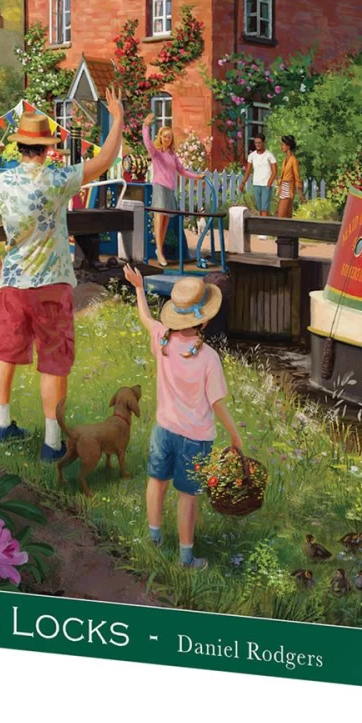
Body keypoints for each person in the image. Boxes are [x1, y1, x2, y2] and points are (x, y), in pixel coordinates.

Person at [0, 89, 125, 460]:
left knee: (5, 353)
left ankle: (1, 425)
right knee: (54, 361)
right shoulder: (57, 180)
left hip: (12, 286)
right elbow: (105, 160)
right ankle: (52, 443)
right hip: (51, 286)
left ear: (20, 147)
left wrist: (2, 279)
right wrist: (118, 119)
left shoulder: (1, 183)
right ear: (45, 149)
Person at [122, 264, 243, 570]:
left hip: (164, 429)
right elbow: (217, 404)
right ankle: (186, 558)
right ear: (206, 319)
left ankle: (154, 538)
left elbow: (145, 318)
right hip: (196, 439)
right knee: (188, 496)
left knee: (157, 481)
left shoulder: (162, 339)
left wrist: (139, 287)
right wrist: (235, 435)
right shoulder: (209, 358)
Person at [142, 114, 204, 269]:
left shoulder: (172, 155)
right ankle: (160, 253)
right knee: (158, 219)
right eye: (164, 137)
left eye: (169, 137)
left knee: (165, 222)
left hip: (170, 190)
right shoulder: (156, 153)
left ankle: (159, 250)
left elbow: (182, 171)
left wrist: (197, 176)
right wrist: (146, 126)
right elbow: (147, 143)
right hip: (159, 187)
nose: (167, 139)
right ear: (160, 138)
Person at [245, 133, 277, 214]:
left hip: (266, 185)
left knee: (265, 208)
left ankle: (264, 222)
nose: (257, 145)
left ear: (264, 143)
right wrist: (242, 183)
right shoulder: (251, 156)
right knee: (259, 208)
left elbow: (274, 171)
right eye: (256, 143)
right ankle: (260, 221)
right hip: (256, 184)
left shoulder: (269, 155)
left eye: (259, 143)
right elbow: (248, 171)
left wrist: (269, 184)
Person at [275, 134, 302, 219]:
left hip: (288, 189)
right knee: (286, 216)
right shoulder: (285, 160)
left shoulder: (294, 160)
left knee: (281, 216)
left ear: (288, 146)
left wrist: (301, 195)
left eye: (283, 145)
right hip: (283, 188)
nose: (281, 147)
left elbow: (297, 177)